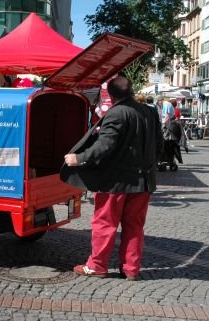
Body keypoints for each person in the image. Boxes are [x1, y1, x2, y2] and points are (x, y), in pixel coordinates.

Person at [63, 76, 163, 281]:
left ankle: (97, 265)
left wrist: (78, 158)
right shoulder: (150, 112)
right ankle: (131, 268)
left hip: (115, 182)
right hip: (143, 181)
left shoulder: (116, 113)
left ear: (111, 94)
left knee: (105, 224)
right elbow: (159, 146)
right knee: (134, 226)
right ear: (132, 91)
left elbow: (104, 146)